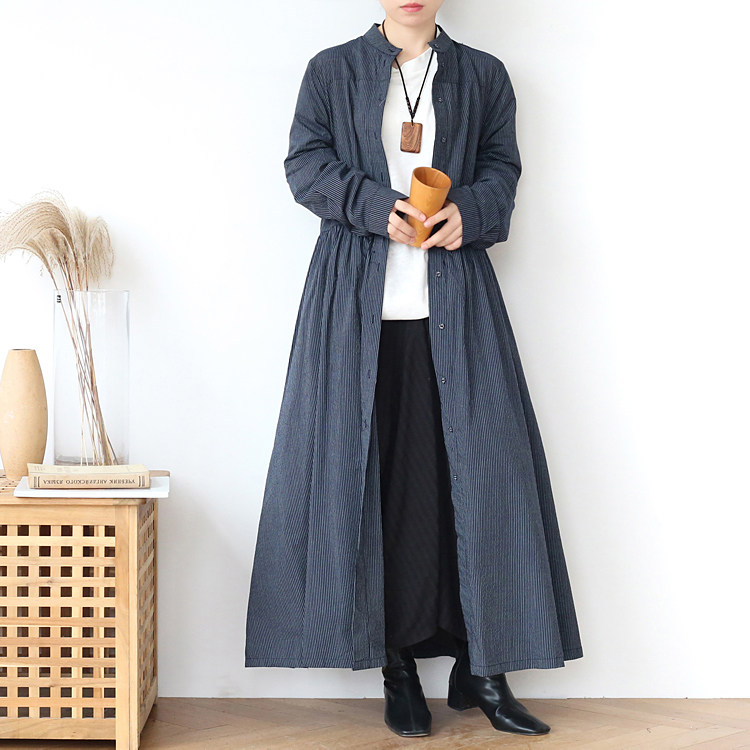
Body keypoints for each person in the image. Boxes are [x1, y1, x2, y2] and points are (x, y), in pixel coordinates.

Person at [245, 0, 584, 739]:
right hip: (355, 309)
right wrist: (376, 206)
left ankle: (483, 669)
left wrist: (471, 212)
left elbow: (502, 170)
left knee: (483, 483)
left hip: (458, 304)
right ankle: (397, 668)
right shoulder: (331, 71)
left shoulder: (482, 75)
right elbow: (305, 166)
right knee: (382, 488)